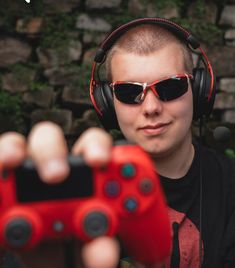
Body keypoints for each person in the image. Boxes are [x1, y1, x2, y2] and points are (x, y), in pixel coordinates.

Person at [0, 17, 235, 268]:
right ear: (107, 104)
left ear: (199, 90)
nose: (151, 108)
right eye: (129, 92)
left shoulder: (230, 185)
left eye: (170, 87)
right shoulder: (69, 190)